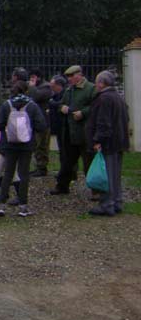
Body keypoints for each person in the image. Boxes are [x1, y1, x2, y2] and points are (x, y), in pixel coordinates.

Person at [0, 81, 47, 217]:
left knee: (8, 173)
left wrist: (8, 130)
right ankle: (23, 207)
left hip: (9, 144)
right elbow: (41, 125)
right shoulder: (32, 106)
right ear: (26, 91)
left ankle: (1, 205)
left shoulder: (7, 105)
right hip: (26, 144)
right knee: (23, 174)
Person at [86, 71, 130, 216]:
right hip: (119, 141)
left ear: (102, 83)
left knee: (107, 174)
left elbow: (103, 122)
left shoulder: (104, 99)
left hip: (108, 142)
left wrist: (98, 139)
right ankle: (117, 202)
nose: (96, 85)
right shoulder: (118, 97)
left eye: (97, 82)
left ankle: (107, 205)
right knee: (115, 174)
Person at [49, 65, 96, 196]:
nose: (69, 79)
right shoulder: (69, 90)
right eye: (68, 76)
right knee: (67, 162)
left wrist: (83, 113)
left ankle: (96, 191)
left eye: (71, 76)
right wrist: (62, 107)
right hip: (70, 132)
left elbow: (95, 106)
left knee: (89, 162)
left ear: (79, 75)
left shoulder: (91, 88)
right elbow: (61, 105)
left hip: (85, 132)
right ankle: (62, 186)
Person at [28, 68, 53, 177]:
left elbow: (37, 97)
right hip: (35, 121)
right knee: (36, 145)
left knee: (41, 145)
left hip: (43, 121)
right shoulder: (37, 88)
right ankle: (38, 166)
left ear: (38, 77)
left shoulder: (46, 88)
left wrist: (32, 87)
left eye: (33, 77)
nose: (31, 80)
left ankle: (42, 167)